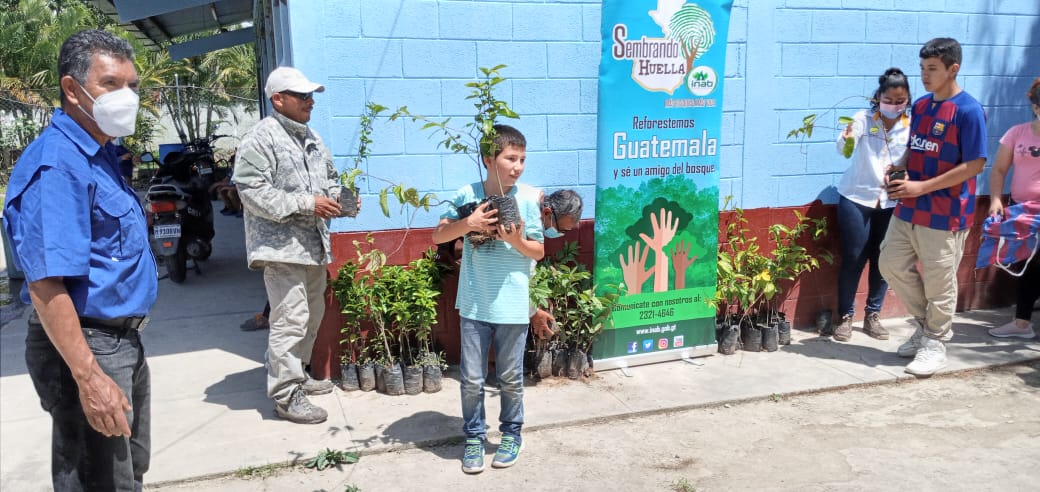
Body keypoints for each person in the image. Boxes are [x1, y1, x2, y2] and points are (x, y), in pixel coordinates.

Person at [1, 30, 158, 491]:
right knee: (99, 480)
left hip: (121, 341)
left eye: (132, 85)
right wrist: (89, 377)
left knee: (128, 471)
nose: (126, 96)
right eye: (111, 84)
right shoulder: (58, 164)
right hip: (90, 346)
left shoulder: (99, 152)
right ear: (72, 89)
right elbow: (46, 284)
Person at [234, 66, 349, 424]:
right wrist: (308, 203)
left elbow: (330, 179)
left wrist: (339, 199)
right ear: (278, 99)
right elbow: (251, 192)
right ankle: (286, 395)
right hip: (280, 248)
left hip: (313, 245)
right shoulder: (260, 138)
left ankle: (297, 372)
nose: (310, 101)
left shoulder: (311, 137)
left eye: (310, 95)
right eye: (302, 96)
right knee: (290, 319)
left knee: (312, 315)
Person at [432, 124, 544, 473]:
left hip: (514, 304)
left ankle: (511, 434)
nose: (518, 166)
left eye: (522, 159)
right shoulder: (468, 194)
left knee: (510, 377)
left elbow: (538, 251)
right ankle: (474, 438)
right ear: (488, 159)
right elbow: (439, 235)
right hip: (475, 302)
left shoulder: (529, 198)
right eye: (510, 158)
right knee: (471, 379)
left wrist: (515, 242)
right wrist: (469, 222)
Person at [879, 38, 988, 376]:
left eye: (932, 69)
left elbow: (976, 164)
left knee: (940, 282)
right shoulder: (923, 105)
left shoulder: (968, 110)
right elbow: (917, 147)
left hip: (946, 212)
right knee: (890, 263)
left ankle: (935, 342)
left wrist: (922, 186)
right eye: (922, 68)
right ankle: (927, 328)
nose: (925, 75)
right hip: (910, 206)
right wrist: (900, 166)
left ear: (953, 69)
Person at [830, 68, 911, 342]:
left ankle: (873, 315)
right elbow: (844, 151)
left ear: (907, 100)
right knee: (854, 258)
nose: (894, 106)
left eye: (900, 101)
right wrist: (847, 138)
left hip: (891, 202)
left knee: (882, 260)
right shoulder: (863, 119)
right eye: (888, 100)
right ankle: (845, 316)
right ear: (878, 98)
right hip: (857, 198)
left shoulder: (911, 126)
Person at [985, 77, 1040, 339]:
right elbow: (998, 170)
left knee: (1036, 264)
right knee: (1026, 265)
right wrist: (995, 199)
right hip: (1021, 211)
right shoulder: (1017, 133)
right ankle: (1022, 324)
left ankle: (1022, 322)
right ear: (1035, 107)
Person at [529, 189, 583, 339]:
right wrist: (533, 311)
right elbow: (523, 271)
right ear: (547, 213)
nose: (561, 235)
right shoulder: (527, 228)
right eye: (562, 230)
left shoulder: (535, 224)